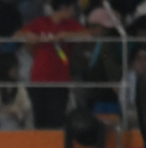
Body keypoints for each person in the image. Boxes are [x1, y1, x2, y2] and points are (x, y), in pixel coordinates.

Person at [15, 0, 92, 129]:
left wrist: (65, 35)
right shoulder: (40, 22)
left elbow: (87, 36)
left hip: (60, 78)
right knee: (40, 120)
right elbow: (17, 36)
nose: (73, 12)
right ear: (63, 7)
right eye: (71, 8)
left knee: (57, 119)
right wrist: (31, 37)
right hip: (39, 78)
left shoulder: (70, 24)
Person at [0, 52, 32, 129]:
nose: (15, 70)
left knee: (8, 126)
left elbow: (26, 109)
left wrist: (16, 114)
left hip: (12, 121)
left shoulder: (19, 88)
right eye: (13, 68)